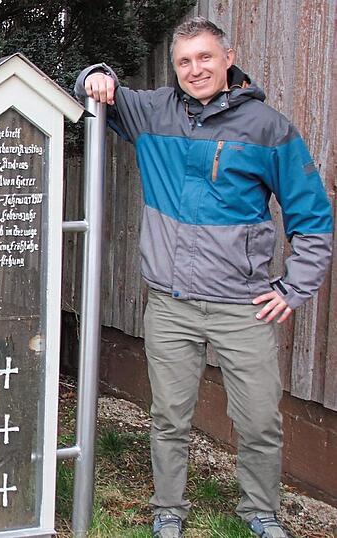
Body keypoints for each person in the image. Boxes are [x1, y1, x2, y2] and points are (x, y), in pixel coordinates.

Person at [75, 17, 332, 538]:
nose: (195, 69)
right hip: (171, 304)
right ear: (176, 69)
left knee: (259, 420)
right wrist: (94, 77)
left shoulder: (268, 128)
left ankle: (260, 512)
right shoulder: (153, 112)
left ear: (228, 57)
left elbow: (313, 217)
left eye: (205, 57)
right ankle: (168, 509)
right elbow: (92, 86)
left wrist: (294, 286)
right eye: (184, 62)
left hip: (243, 305)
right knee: (169, 416)